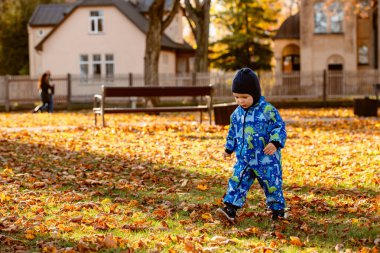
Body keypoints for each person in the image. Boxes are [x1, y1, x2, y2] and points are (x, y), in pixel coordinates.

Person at [216, 67, 287, 223]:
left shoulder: (268, 110)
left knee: (272, 185)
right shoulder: (236, 114)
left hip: (266, 159)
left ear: (254, 94)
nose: (241, 101)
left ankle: (278, 210)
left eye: (245, 97)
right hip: (244, 159)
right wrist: (228, 148)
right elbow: (233, 132)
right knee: (237, 180)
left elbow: (279, 127)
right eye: (237, 97)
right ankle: (230, 208)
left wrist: (275, 142)